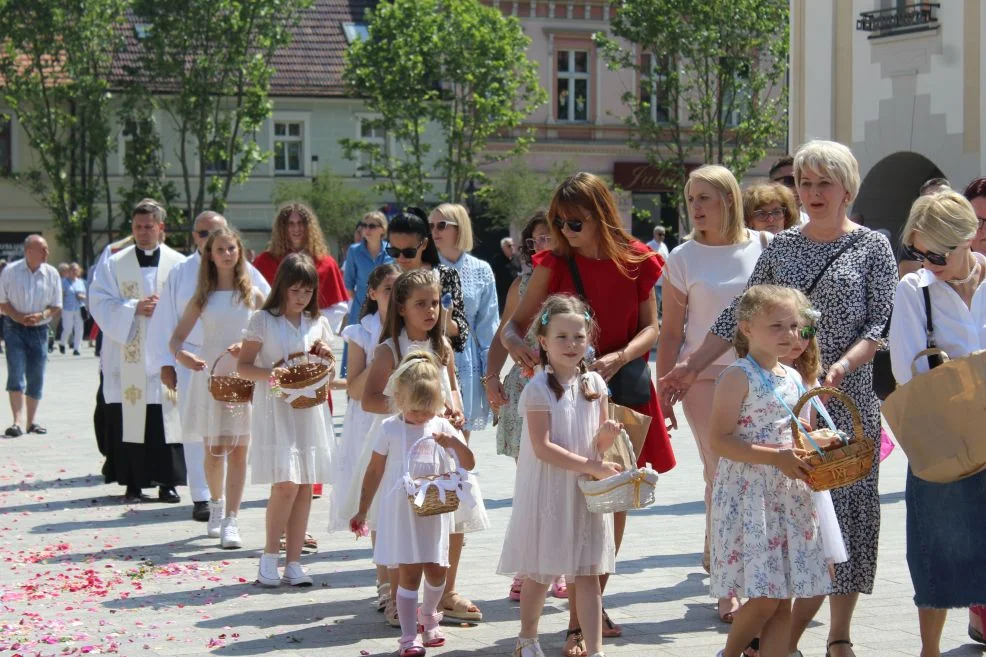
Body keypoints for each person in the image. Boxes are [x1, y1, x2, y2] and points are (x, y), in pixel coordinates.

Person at [661, 140, 898, 657]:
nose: (812, 193)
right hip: (781, 399)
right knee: (801, 527)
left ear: (848, 190)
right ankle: (779, 645)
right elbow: (737, 317)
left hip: (847, 396)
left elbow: (880, 323)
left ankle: (838, 635)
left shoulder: (873, 247)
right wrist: (690, 366)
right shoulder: (782, 247)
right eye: (805, 183)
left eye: (823, 184)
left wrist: (841, 365)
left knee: (850, 518)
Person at [503, 172, 672, 652]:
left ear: (601, 214)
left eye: (574, 222)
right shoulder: (552, 262)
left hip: (621, 389)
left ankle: (586, 612)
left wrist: (619, 357)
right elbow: (512, 328)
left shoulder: (639, 259)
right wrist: (524, 353)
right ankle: (577, 621)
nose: (564, 230)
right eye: (558, 221)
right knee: (573, 500)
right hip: (562, 393)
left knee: (612, 500)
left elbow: (651, 329)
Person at [657, 164, 771, 624]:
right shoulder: (683, 257)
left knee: (753, 475)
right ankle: (730, 584)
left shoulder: (764, 247)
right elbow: (670, 334)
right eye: (691, 199)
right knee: (722, 473)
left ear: (729, 199)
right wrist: (665, 389)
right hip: (702, 379)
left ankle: (730, 555)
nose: (697, 207)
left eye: (705, 197)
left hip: (760, 375)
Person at [356, 269, 486, 627]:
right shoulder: (390, 350)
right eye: (420, 304)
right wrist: (410, 407)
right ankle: (397, 592)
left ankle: (446, 589)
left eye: (434, 303)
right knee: (402, 521)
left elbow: (452, 387)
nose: (430, 311)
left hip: (439, 446)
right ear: (401, 308)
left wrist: (455, 409)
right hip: (403, 444)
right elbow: (369, 399)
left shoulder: (441, 345)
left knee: (450, 516)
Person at [708, 285, 831, 657]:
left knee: (783, 600)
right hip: (751, 496)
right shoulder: (737, 376)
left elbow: (793, 431)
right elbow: (720, 440)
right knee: (763, 599)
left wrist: (816, 438)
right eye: (776, 326)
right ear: (747, 328)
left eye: (794, 326)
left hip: (789, 495)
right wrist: (775, 456)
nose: (790, 335)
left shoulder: (793, 377)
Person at [889, 189, 986, 657]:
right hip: (942, 436)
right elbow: (908, 373)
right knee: (937, 550)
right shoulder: (914, 289)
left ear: (968, 236)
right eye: (918, 251)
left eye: (936, 252)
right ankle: (929, 650)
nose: (927, 261)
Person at [497, 294, 621, 657]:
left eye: (579, 337)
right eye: (562, 337)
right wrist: (593, 466)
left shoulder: (596, 384)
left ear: (589, 340)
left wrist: (606, 438)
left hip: (583, 492)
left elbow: (595, 442)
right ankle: (527, 637)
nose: (571, 345)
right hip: (551, 491)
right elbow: (543, 447)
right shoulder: (538, 389)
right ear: (543, 342)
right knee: (540, 570)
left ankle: (595, 649)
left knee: (588, 574)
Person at [351, 351, 476, 657]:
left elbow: (468, 463)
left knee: (436, 571)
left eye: (428, 409)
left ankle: (429, 616)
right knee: (408, 574)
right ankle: (409, 636)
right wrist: (363, 508)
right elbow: (374, 470)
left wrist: (455, 442)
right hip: (403, 512)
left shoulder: (442, 426)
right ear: (399, 398)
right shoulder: (390, 428)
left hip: (434, 511)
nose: (422, 416)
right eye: (416, 409)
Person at [149, 211, 270, 522]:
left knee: (241, 451)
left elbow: (273, 326)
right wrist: (176, 358)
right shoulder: (199, 293)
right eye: (219, 249)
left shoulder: (253, 291)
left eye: (231, 248)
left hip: (242, 376)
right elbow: (173, 335)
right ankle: (212, 504)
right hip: (208, 374)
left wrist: (252, 347)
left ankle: (231, 518)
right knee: (214, 450)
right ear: (208, 252)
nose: (227, 254)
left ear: (238, 250)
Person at [237, 253, 336, 587]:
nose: (300, 297)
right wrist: (273, 374)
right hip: (276, 408)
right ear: (281, 287)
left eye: (307, 291)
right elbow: (244, 366)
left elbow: (330, 368)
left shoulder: (317, 324)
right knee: (285, 483)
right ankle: (269, 558)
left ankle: (294, 562)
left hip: (308, 408)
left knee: (306, 482)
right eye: (294, 290)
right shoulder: (263, 320)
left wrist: (326, 358)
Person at [484, 212, 563, 603]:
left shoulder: (572, 280)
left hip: (568, 390)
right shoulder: (523, 283)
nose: (542, 246)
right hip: (525, 390)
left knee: (565, 482)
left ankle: (559, 566)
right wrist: (491, 378)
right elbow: (504, 331)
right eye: (535, 240)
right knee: (530, 483)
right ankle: (528, 567)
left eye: (549, 237)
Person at [89, 199, 187, 503]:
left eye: (149, 227)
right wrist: (134, 308)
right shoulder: (114, 264)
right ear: (132, 229)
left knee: (165, 418)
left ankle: (167, 482)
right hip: (127, 355)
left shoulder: (179, 264)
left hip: (164, 355)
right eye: (138, 227)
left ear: (160, 228)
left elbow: (192, 302)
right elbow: (98, 301)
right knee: (129, 418)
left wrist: (167, 309)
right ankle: (133, 483)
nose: (143, 232)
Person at [329, 261, 401, 611]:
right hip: (370, 419)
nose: (395, 295)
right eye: (388, 289)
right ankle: (385, 584)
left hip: (406, 417)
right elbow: (355, 389)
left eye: (400, 289)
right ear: (372, 294)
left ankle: (407, 584)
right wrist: (385, 354)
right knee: (377, 503)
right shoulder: (362, 332)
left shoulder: (414, 326)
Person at [431, 203, 499, 437]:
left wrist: (490, 371)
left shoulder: (482, 269)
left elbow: (488, 324)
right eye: (431, 226)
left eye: (441, 225)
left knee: (462, 427)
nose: (435, 232)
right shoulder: (426, 267)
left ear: (459, 229)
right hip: (431, 351)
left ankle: (459, 474)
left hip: (466, 355)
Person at [253, 202, 350, 334]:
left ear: (309, 227)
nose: (296, 228)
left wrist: (307, 323)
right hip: (274, 334)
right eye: (290, 224)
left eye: (301, 223)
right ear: (282, 227)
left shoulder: (326, 263)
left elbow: (338, 308)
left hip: (312, 336)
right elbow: (253, 301)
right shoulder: (264, 261)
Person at [0, 235, 62, 437]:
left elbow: (56, 305)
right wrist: (18, 316)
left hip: (40, 330)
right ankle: (17, 422)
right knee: (16, 373)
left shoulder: (51, 273)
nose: (47, 252)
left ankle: (31, 422)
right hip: (14, 327)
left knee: (36, 375)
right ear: (28, 252)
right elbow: (2, 301)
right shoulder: (10, 271)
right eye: (43, 249)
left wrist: (42, 315)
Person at [342, 211, 392, 377]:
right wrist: (363, 302)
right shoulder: (354, 251)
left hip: (386, 310)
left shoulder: (391, 252)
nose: (367, 229)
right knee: (355, 356)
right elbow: (348, 284)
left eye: (372, 225)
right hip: (360, 310)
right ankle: (352, 394)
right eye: (364, 225)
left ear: (382, 230)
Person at [899, 178, 952, 279]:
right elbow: (912, 284)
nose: (937, 202)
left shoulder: (961, 232)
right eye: (931, 197)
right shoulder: (914, 237)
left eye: (944, 197)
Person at [769, 156, 809, 225]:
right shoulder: (761, 223)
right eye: (790, 180)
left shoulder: (814, 223)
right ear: (772, 184)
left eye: (803, 181)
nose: (798, 187)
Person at [58, 262, 87, 356]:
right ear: (69, 271)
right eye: (73, 270)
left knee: (79, 329)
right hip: (67, 308)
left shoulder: (81, 282)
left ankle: (76, 348)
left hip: (79, 308)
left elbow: (85, 295)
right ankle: (62, 343)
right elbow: (60, 295)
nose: (75, 272)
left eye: (76, 270)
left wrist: (81, 296)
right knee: (68, 328)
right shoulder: (64, 282)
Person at [492, 236, 521, 314]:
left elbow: (520, 272)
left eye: (512, 245)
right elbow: (492, 275)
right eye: (509, 246)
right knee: (505, 313)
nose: (511, 247)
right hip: (503, 293)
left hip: (516, 291)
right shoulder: (497, 259)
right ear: (503, 248)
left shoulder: (517, 259)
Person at [645, 226, 670, 316]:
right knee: (656, 301)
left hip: (664, 280)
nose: (662, 236)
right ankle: (654, 319)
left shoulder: (664, 246)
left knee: (663, 301)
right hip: (654, 280)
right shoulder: (649, 246)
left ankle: (660, 319)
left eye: (663, 234)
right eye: (660, 234)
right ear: (655, 234)